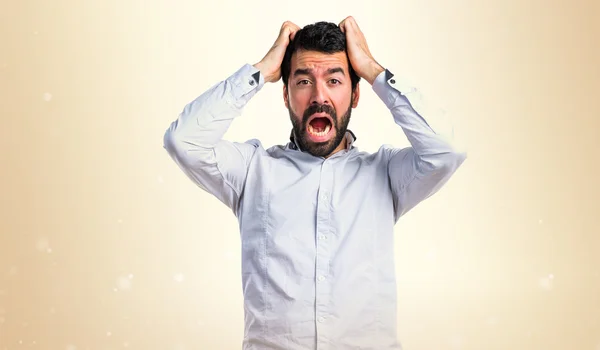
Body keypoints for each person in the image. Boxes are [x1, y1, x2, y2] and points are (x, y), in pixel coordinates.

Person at [163, 16, 467, 350]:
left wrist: (371, 70)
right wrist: (260, 71)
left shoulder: (386, 174)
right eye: (304, 81)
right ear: (286, 95)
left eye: (334, 81)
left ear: (354, 96)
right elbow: (184, 141)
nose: (319, 96)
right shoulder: (252, 170)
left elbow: (447, 151)